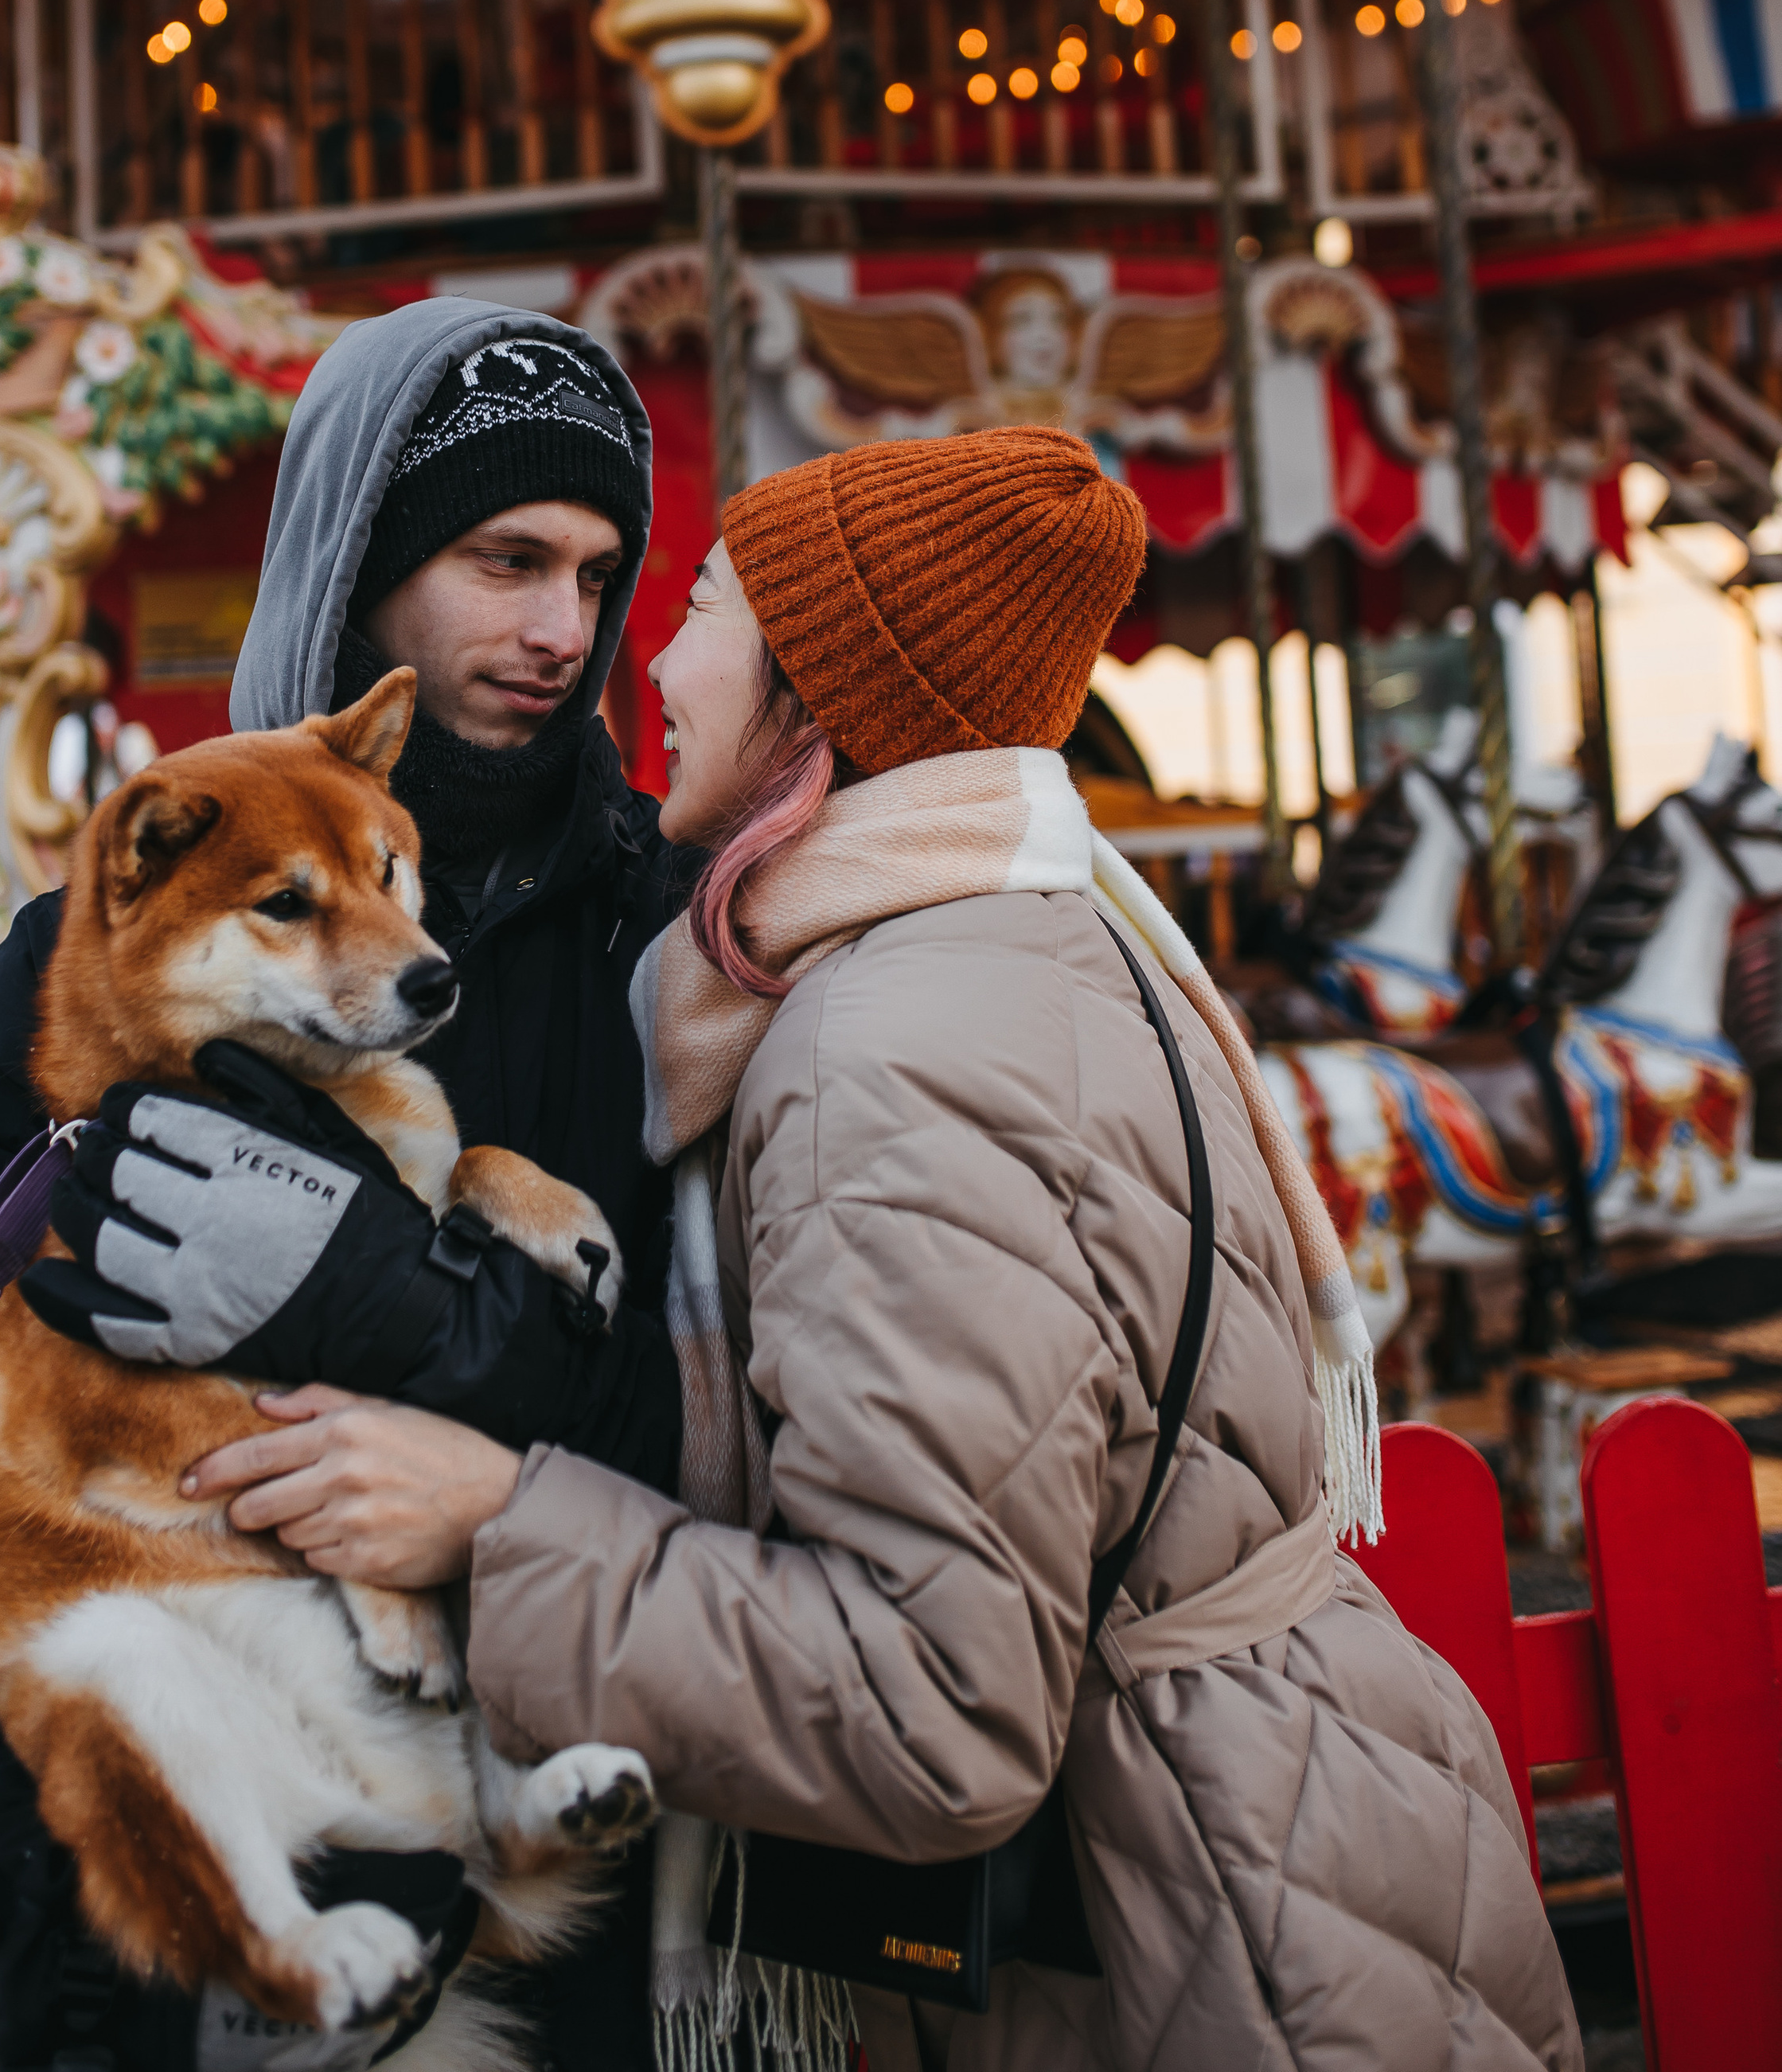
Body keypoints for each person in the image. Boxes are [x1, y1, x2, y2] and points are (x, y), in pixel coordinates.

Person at [190, 427, 1582, 2072]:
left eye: (699, 609)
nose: (648, 660)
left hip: (1193, 1925)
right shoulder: (1042, 939)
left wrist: (498, 1527)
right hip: (1282, 1824)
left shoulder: (890, 1055)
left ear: (817, 687)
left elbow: (932, 1705)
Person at [0, 298, 688, 2071]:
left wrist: (444, 1339)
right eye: (505, 560)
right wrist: (33, 1913)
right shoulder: (81, 964)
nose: (561, 631)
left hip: (583, 1928)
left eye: (599, 574)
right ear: (362, 565)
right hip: (184, 1946)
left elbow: (762, 1440)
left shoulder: (667, 947)